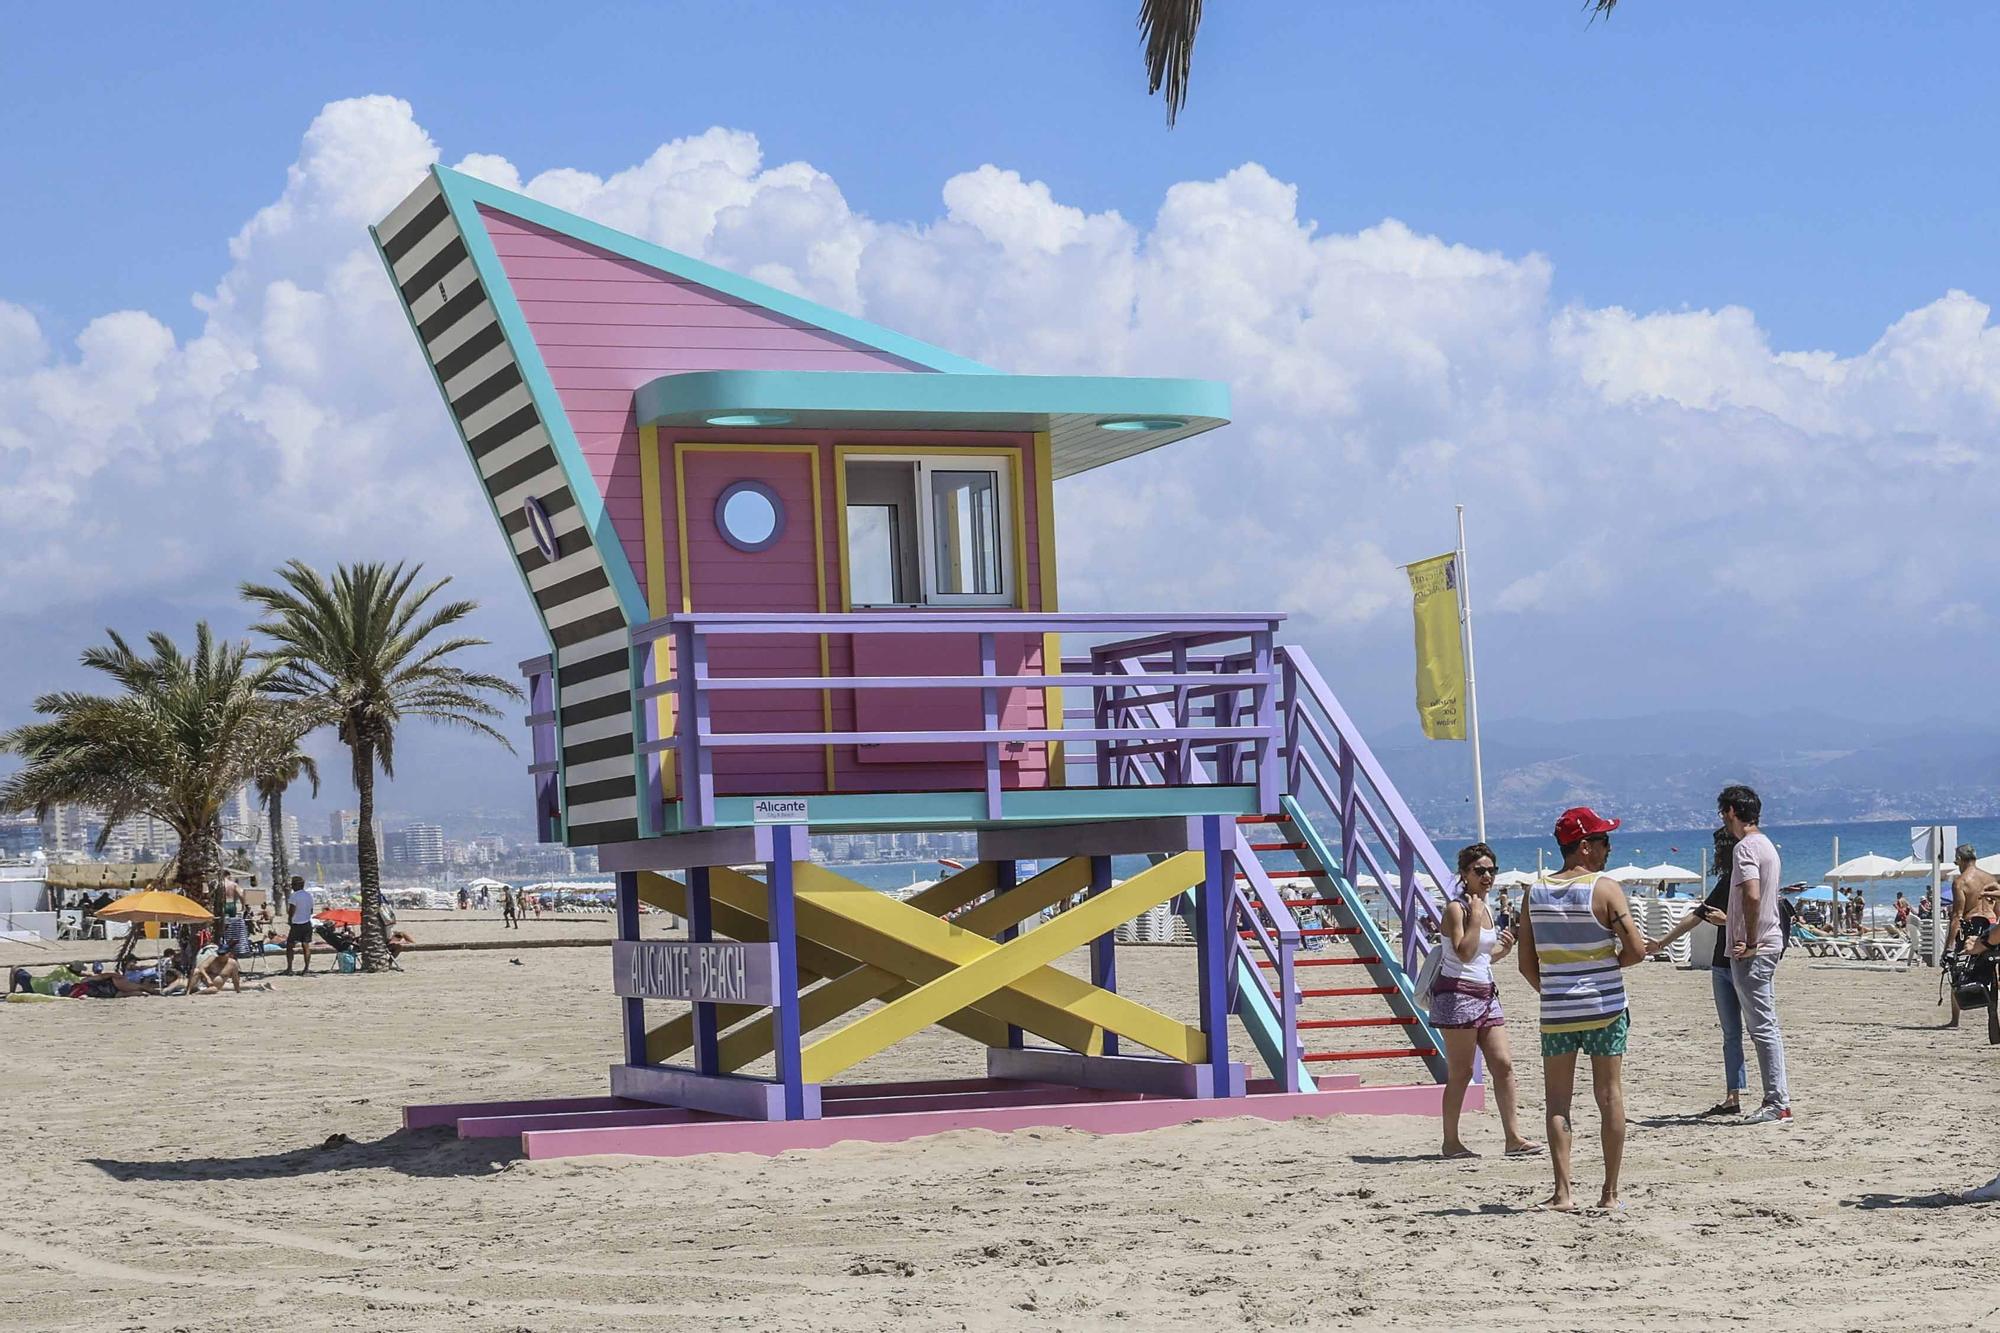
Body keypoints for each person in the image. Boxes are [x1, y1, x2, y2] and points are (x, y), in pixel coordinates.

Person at [1517, 806, 1645, 1211]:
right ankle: (1609, 1194)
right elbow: (1637, 951)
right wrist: (1604, 969)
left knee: (1557, 1101)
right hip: (1605, 1006)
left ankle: (1562, 1193)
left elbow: (1525, 963)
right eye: (1604, 841)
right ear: (1585, 846)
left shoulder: (1533, 893)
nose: (1609, 848)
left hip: (1557, 1011)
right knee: (1609, 1096)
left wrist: (1556, 988)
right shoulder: (1605, 889)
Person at [1432, 843, 1538, 1159]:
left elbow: (1479, 956)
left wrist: (1501, 952)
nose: (1487, 875)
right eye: (1479, 870)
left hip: (1486, 993)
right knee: (1462, 1072)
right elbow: (1463, 951)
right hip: (1457, 996)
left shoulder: (1487, 907)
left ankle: (1513, 1137)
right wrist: (1476, 916)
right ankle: (1451, 1141)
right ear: (1464, 874)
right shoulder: (1457, 909)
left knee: (1503, 1064)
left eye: (1491, 870)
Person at [1647, 826, 1749, 1116]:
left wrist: (1727, 921)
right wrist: (1663, 942)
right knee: (1731, 1033)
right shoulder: (1727, 880)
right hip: (1721, 963)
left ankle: (1772, 1097)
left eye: (1721, 847)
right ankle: (1733, 1097)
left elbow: (1764, 921)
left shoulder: (1752, 879)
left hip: (1746, 961)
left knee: (1758, 1031)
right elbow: (1698, 915)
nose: (1717, 853)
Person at [1718, 785, 1791, 1124]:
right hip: (1768, 942)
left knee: (1762, 1027)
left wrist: (1748, 941)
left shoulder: (1746, 847)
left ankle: (1776, 1102)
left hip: (1756, 947)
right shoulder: (1767, 846)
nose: (1723, 819)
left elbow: (1751, 894)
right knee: (1766, 1024)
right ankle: (1777, 1100)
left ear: (1732, 812)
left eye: (1723, 813)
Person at [284, 876, 316, 976]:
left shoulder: (294, 896)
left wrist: (290, 920)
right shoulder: (308, 896)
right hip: (307, 923)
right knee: (306, 946)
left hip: (297, 924)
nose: (292, 886)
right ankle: (306, 969)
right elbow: (311, 910)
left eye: (293, 884)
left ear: (297, 885)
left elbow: (291, 910)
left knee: (290, 946)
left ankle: (289, 969)